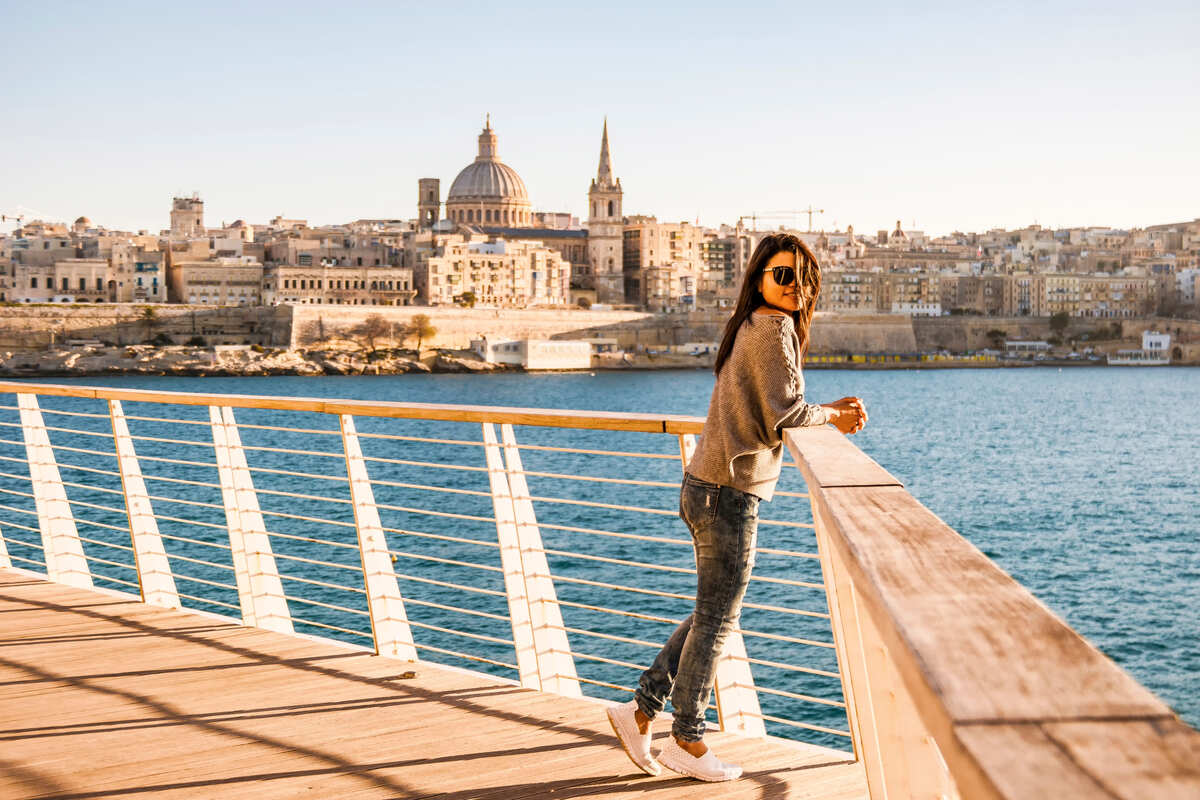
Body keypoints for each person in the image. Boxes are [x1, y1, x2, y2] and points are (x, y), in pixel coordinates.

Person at [605, 232, 867, 782]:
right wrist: (836, 418)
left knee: (711, 613)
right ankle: (687, 740)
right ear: (759, 280)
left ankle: (639, 711)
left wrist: (827, 409)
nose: (795, 286)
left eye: (803, 276)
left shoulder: (749, 326)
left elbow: (776, 405)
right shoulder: (773, 328)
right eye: (782, 275)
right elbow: (785, 414)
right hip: (728, 492)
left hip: (704, 484)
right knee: (718, 618)